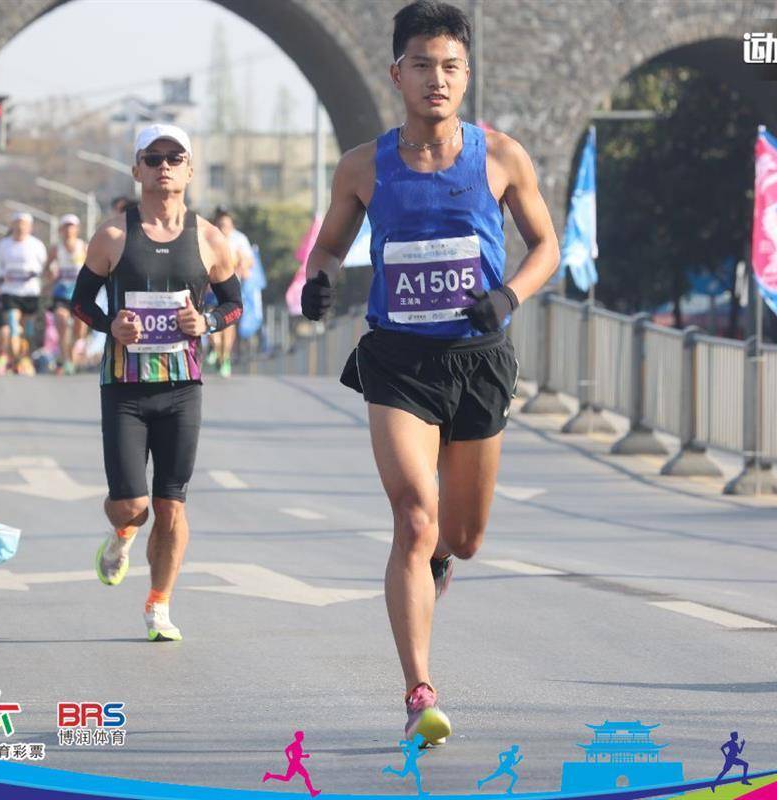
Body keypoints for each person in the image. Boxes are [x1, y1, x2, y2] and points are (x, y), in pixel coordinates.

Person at [299, 0, 559, 745]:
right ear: (397, 75)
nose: (436, 80)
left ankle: (443, 557)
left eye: (450, 67)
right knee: (415, 516)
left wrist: (508, 295)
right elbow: (328, 248)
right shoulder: (363, 166)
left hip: (478, 359)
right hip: (398, 361)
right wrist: (318, 281)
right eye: (422, 66)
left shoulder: (501, 156)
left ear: (466, 76)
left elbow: (546, 247)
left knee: (462, 537)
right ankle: (419, 691)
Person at [71, 124, 241, 642]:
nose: (164, 166)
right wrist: (111, 326)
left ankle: (159, 605)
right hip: (125, 387)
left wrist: (206, 323)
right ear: (137, 169)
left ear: (189, 170)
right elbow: (80, 301)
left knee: (171, 505)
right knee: (133, 506)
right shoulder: (113, 236)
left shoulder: (209, 238)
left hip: (182, 387)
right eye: (153, 158)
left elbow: (234, 304)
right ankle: (121, 533)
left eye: (174, 158)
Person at [0, 212, 49, 374]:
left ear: (30, 227)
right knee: (13, 327)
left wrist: (45, 284)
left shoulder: (37, 245)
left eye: (24, 224)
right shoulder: (4, 244)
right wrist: (0, 281)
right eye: (18, 223)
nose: (21, 227)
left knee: (28, 330)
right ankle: (12, 358)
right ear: (12, 225)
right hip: (10, 291)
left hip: (30, 292)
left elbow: (45, 267)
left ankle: (23, 358)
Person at [207, 208, 255, 377]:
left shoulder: (238, 240)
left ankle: (225, 356)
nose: (223, 228)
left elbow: (249, 261)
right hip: (210, 290)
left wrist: (243, 266)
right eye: (220, 225)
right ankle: (215, 348)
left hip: (231, 290)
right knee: (210, 321)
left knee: (228, 325)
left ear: (232, 226)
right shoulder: (209, 238)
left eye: (226, 225)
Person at [45, 213, 88, 375]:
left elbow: (94, 267)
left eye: (72, 227)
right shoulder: (56, 249)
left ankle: (70, 351)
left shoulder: (84, 247)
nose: (69, 230)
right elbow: (47, 268)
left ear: (77, 229)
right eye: (66, 227)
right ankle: (66, 360)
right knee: (61, 321)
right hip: (61, 292)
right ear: (61, 230)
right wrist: (50, 275)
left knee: (80, 331)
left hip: (80, 292)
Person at [261, 730, 321, 797]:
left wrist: (304, 756)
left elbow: (297, 754)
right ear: (298, 737)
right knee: (305, 776)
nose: (303, 737)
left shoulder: (298, 744)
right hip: (295, 763)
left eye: (302, 736)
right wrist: (289, 758)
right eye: (302, 736)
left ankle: (269, 775)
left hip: (295, 763)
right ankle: (312, 792)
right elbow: (286, 750)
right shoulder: (295, 744)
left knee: (287, 778)